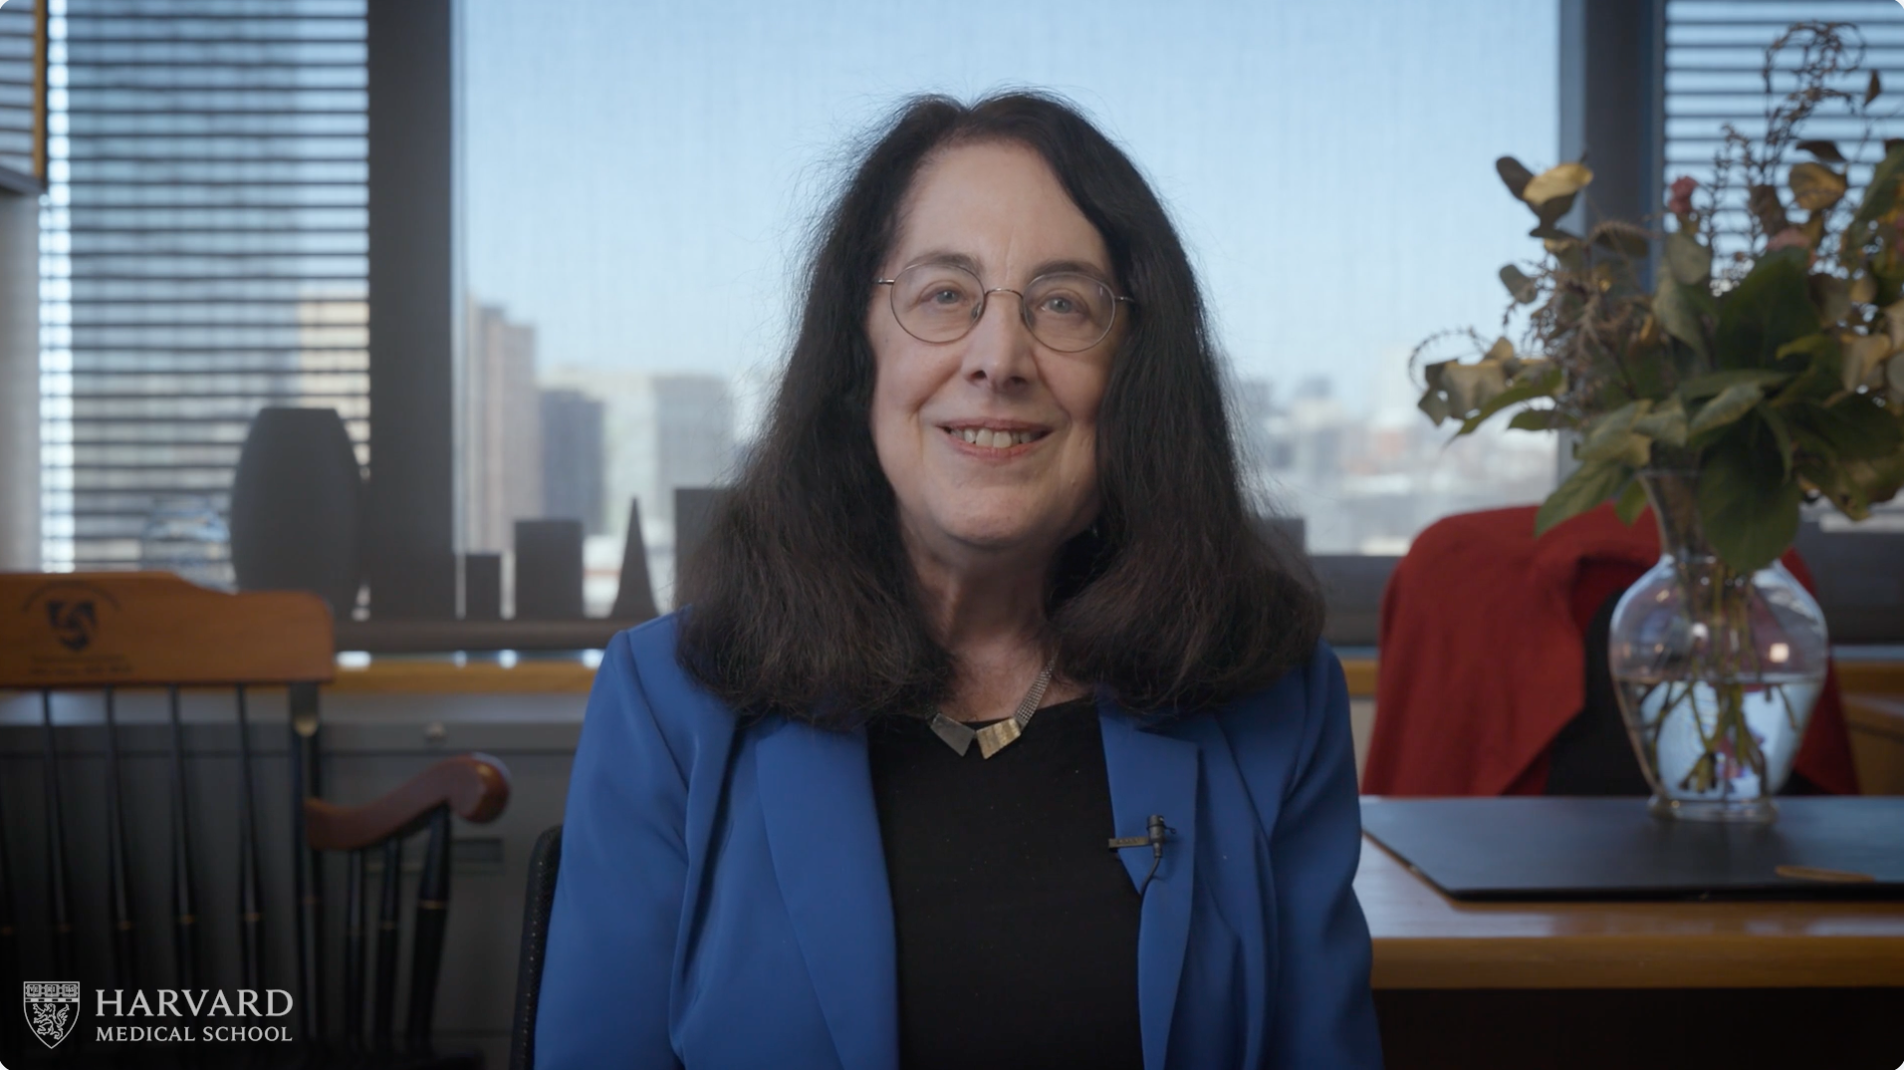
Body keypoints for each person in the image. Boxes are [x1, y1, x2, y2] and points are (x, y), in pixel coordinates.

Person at [534, 91, 1383, 1070]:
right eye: (943, 294)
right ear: (858, 352)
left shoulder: (1276, 701)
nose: (998, 359)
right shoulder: (667, 701)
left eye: (1063, 303)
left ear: (1134, 376)